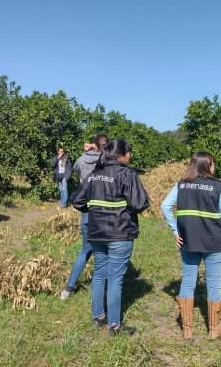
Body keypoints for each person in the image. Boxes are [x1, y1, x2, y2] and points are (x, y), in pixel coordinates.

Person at [69, 139, 150, 336]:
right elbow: (140, 204)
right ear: (122, 155)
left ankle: (98, 317)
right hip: (120, 233)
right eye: (129, 153)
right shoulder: (127, 174)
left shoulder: (94, 175)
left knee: (99, 273)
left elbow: (77, 200)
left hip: (96, 233)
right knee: (115, 279)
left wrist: (95, 209)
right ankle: (114, 326)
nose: (130, 157)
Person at [161, 152, 221, 340]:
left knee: (188, 281)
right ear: (208, 164)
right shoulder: (218, 186)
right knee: (214, 284)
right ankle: (213, 329)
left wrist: (175, 231)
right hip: (213, 241)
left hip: (188, 240)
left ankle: (187, 329)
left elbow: (164, 206)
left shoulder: (181, 185)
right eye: (213, 163)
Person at [60, 134, 109, 300]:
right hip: (102, 210)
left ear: (93, 145)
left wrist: (86, 151)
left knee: (85, 250)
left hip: (87, 208)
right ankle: (102, 290)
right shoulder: (106, 161)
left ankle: (67, 289)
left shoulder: (81, 160)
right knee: (104, 253)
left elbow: (74, 169)